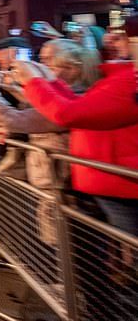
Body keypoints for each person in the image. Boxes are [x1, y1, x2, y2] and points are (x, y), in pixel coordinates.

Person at [17, 34, 138, 235]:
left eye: (123, 37)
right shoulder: (121, 77)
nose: (110, 41)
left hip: (122, 179)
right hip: (113, 178)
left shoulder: (129, 80)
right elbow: (78, 106)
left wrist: (34, 81)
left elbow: (68, 114)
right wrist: (46, 82)